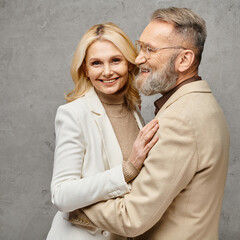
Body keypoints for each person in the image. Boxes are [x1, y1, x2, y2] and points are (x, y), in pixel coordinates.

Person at [70, 7, 230, 240]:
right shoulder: (202, 103)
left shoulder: (179, 120)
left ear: (184, 59)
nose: (138, 58)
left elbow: (131, 218)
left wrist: (74, 202)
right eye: (141, 46)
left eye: (150, 49)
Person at [46, 22, 159, 240]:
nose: (107, 72)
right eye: (96, 63)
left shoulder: (134, 111)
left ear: (128, 64)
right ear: (85, 70)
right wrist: (127, 170)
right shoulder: (73, 114)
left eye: (115, 60)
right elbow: (61, 195)